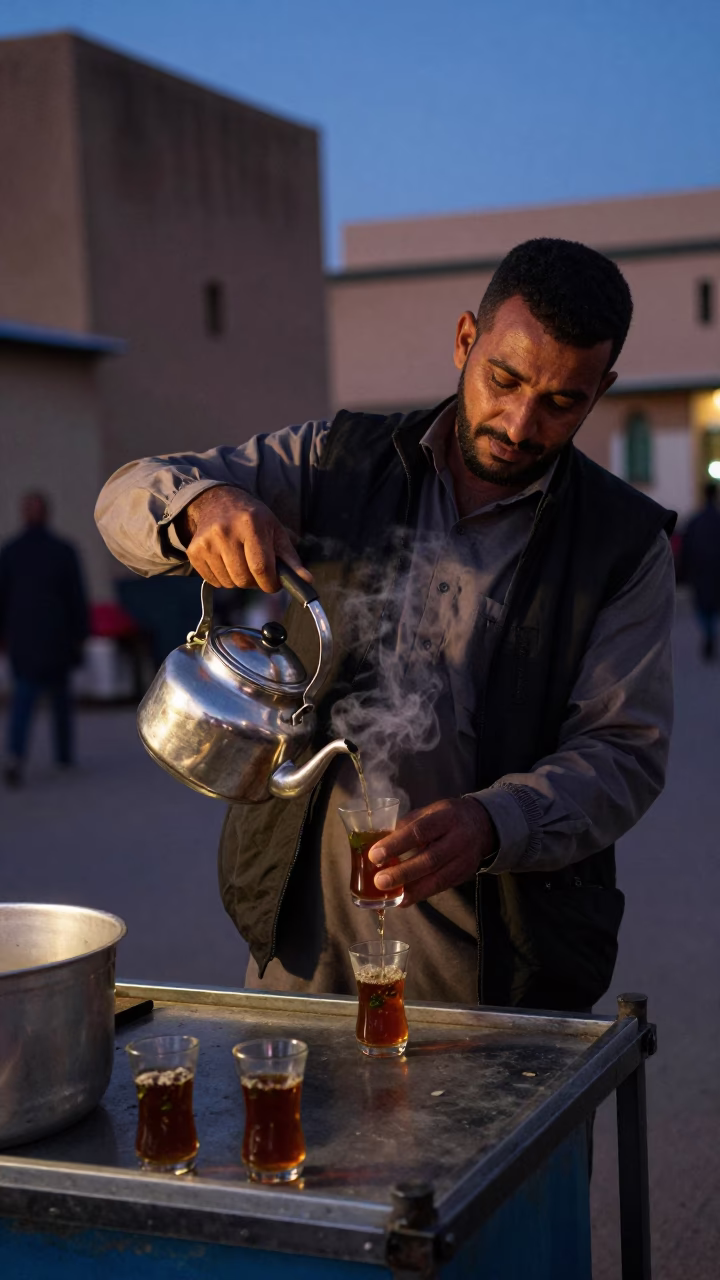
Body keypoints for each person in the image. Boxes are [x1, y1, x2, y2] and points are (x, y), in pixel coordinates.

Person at [96, 238, 676, 1014]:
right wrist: (201, 502)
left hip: (493, 971)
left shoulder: (621, 543)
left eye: (562, 402)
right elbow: (123, 499)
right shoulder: (338, 460)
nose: (519, 421)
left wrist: (492, 820)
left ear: (600, 389)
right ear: (465, 339)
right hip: (300, 946)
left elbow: (623, 754)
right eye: (503, 379)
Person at [0, 493, 89, 786]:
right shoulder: (60, 550)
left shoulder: (13, 552)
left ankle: (20, 755)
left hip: (34, 640)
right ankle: (58, 756)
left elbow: (76, 597)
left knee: (30, 700)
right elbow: (76, 597)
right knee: (53, 700)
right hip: (51, 638)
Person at [680, 482, 720, 660]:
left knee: (702, 607)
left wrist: (686, 572)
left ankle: (709, 633)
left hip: (700, 572)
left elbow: (686, 549)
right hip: (716, 572)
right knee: (715, 607)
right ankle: (711, 633)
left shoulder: (695, 521)